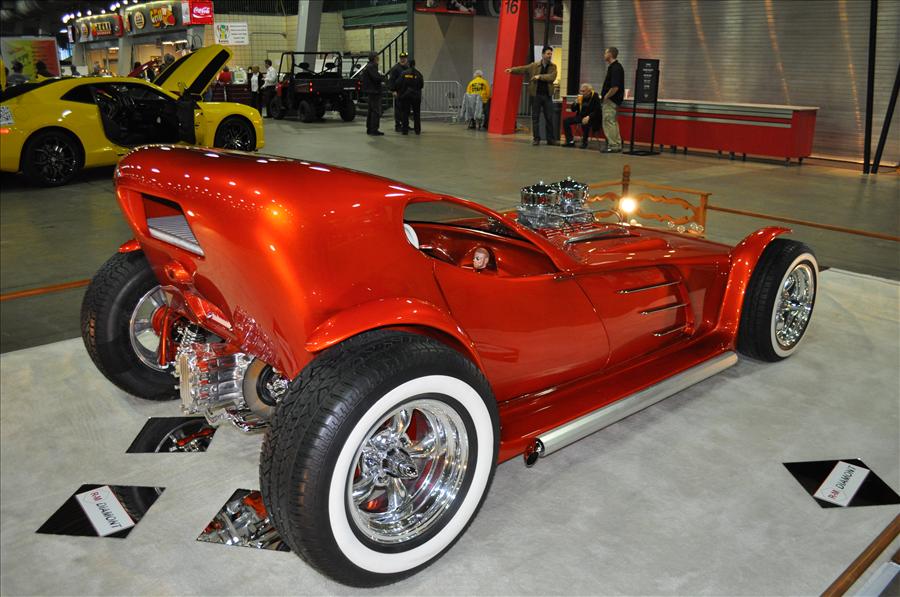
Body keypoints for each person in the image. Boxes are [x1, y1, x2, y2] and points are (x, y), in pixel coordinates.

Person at [506, 46, 558, 146]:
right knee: (535, 118)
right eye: (548, 54)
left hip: (547, 96)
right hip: (536, 95)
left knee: (549, 118)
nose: (550, 56)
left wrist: (539, 76)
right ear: (543, 54)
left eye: (551, 54)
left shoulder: (553, 67)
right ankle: (536, 139)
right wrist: (512, 70)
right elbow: (523, 69)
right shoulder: (534, 66)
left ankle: (550, 139)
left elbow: (552, 77)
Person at [600, 47, 625, 153]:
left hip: (611, 100)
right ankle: (617, 144)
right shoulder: (615, 67)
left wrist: (606, 97)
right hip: (613, 100)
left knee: (608, 122)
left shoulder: (615, 68)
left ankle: (613, 145)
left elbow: (615, 87)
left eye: (605, 53)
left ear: (610, 54)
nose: (604, 55)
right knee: (613, 122)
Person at [563, 83, 602, 148]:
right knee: (566, 121)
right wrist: (575, 103)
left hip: (592, 117)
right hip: (581, 116)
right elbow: (573, 110)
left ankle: (584, 142)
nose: (581, 93)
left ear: (589, 91)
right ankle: (570, 141)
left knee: (585, 123)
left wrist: (588, 117)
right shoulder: (580, 97)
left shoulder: (595, 96)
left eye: (583, 91)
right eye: (581, 91)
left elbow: (597, 111)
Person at [397, 59, 424, 135]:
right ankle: (417, 130)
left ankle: (405, 130)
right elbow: (421, 85)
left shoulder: (403, 73)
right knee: (416, 113)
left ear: (408, 64)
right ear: (414, 64)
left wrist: (400, 93)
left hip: (406, 96)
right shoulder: (418, 74)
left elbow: (398, 83)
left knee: (405, 113)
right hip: (416, 96)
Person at [361, 53, 386, 135]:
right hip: (374, 91)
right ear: (375, 58)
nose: (378, 58)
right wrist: (382, 77)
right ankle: (374, 129)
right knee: (376, 111)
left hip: (371, 91)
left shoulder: (368, 66)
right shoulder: (372, 66)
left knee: (371, 110)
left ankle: (369, 128)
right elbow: (376, 78)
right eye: (377, 57)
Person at [387, 52, 409, 132]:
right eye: (402, 58)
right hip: (398, 92)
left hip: (406, 92)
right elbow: (391, 80)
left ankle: (405, 124)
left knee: (406, 109)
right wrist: (393, 90)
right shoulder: (395, 68)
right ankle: (398, 125)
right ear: (400, 59)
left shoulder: (407, 67)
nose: (403, 60)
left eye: (404, 58)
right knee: (398, 110)